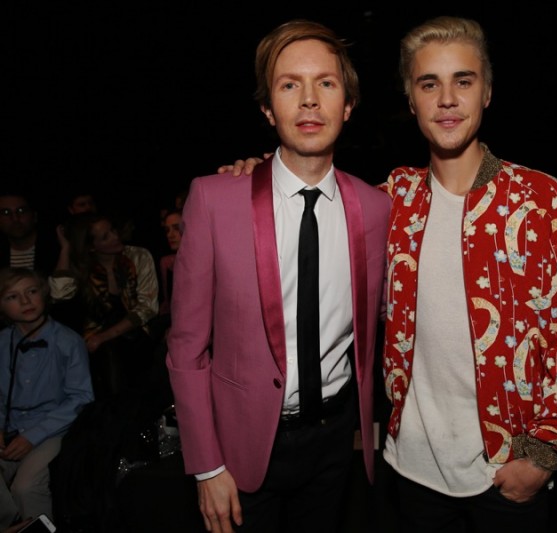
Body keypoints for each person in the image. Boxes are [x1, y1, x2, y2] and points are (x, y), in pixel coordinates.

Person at [225, 15, 557, 532]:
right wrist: (257, 174)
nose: (447, 99)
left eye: (463, 81)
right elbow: (309, 191)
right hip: (409, 474)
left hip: (505, 475)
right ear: (411, 100)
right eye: (430, 84)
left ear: (487, 92)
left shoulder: (542, 203)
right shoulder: (389, 203)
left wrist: (541, 456)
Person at [166, 19, 390, 533]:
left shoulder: (378, 209)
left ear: (348, 105)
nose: (309, 100)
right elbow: (186, 347)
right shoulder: (214, 200)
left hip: (336, 441)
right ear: (268, 108)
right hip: (242, 444)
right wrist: (206, 464)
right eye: (290, 85)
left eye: (326, 84)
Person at [0, 267, 94, 530]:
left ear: (44, 294)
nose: (25, 301)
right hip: (12, 425)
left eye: (31, 292)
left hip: (52, 428)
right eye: (12, 296)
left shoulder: (67, 341)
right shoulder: (2, 342)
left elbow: (81, 397)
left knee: (26, 487)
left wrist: (32, 436)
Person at [49, 212, 159, 399]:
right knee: (106, 359)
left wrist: (103, 337)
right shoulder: (82, 266)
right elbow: (59, 294)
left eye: (113, 230)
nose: (116, 237)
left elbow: (147, 307)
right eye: (105, 236)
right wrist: (65, 249)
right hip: (96, 344)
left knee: (117, 354)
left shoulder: (138, 256)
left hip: (135, 333)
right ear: (91, 246)